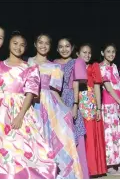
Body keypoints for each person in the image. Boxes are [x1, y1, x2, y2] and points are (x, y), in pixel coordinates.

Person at [0, 32, 57, 179]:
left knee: (20, 143)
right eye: (15, 43)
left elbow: (30, 93)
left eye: (22, 45)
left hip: (19, 109)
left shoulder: (30, 67)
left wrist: (20, 116)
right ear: (9, 44)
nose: (18, 47)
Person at [27, 34, 83, 179]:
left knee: (54, 139)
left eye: (47, 43)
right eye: (40, 42)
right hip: (31, 104)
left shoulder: (55, 66)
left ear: (50, 47)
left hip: (50, 105)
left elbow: (55, 92)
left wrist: (67, 109)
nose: (43, 46)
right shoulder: (28, 62)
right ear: (35, 44)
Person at [54, 38, 89, 179]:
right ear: (56, 49)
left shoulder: (77, 61)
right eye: (61, 46)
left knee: (76, 137)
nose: (64, 49)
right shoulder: (53, 63)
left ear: (72, 47)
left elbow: (76, 84)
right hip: (56, 100)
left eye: (67, 46)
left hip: (70, 99)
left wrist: (75, 105)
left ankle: (81, 175)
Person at [76, 43, 108, 177]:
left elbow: (96, 88)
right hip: (77, 102)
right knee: (80, 137)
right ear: (78, 54)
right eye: (84, 52)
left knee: (90, 135)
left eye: (89, 53)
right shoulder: (75, 65)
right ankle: (81, 168)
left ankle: (93, 169)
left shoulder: (93, 66)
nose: (87, 55)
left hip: (90, 103)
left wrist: (99, 108)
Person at [99, 43, 120, 175]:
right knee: (110, 133)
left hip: (118, 103)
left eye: (113, 52)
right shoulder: (102, 68)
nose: (111, 54)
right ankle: (110, 163)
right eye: (108, 51)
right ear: (102, 53)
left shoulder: (115, 67)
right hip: (110, 104)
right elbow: (109, 88)